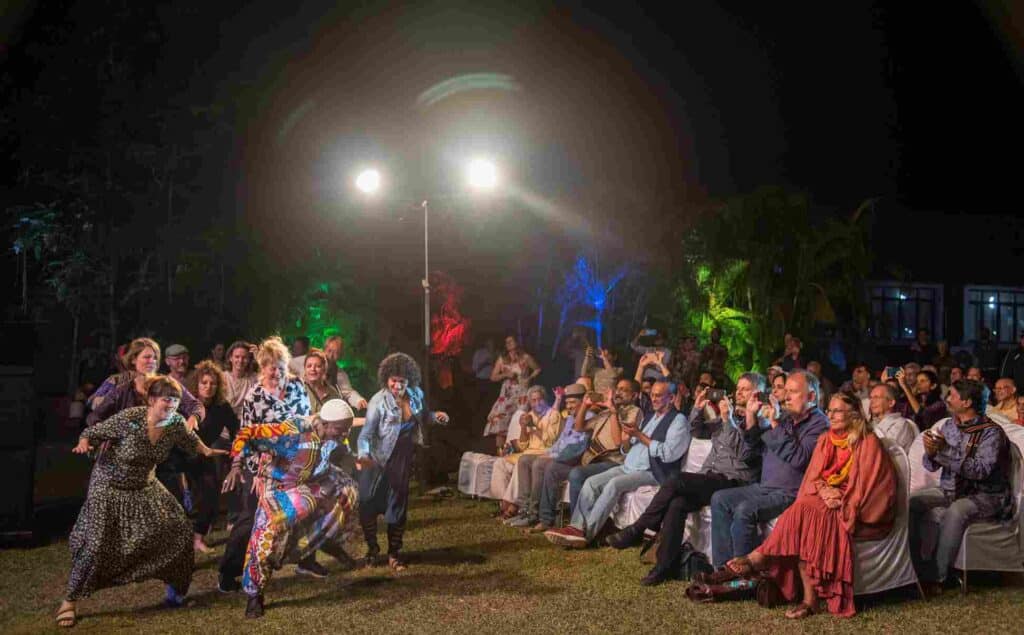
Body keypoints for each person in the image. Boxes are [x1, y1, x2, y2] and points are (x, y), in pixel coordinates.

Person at [55, 376, 227, 628]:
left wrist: (207, 450)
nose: (170, 407)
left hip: (144, 483)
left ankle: (175, 593)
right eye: (165, 402)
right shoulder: (130, 419)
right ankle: (69, 601)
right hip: (109, 484)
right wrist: (84, 442)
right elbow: (92, 431)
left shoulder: (176, 423)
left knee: (178, 530)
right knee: (95, 544)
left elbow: (191, 441)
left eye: (175, 403)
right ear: (151, 400)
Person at [708, 392, 896, 618]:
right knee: (804, 508)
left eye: (837, 411)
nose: (831, 415)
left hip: (853, 505)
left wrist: (841, 498)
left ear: (854, 415)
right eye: (831, 410)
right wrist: (825, 490)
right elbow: (813, 477)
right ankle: (800, 593)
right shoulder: (827, 439)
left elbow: (871, 485)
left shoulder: (868, 442)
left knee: (809, 511)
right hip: (822, 498)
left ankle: (764, 561)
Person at [606, 374, 765, 586]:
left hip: (734, 482)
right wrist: (698, 409)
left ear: (758, 393)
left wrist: (728, 422)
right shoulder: (731, 416)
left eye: (745, 389)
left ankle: (640, 527)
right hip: (711, 477)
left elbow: (744, 453)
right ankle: (664, 566)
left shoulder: (759, 421)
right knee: (677, 503)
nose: (739, 392)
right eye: (738, 388)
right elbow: (697, 430)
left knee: (676, 479)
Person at [224, 399, 360, 618]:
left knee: (348, 490)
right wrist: (237, 466)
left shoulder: (334, 434)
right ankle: (255, 595)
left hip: (309, 481)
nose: (344, 434)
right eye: (340, 429)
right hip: (278, 486)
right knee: (268, 535)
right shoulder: (295, 430)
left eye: (347, 429)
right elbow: (248, 433)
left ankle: (320, 541)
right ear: (325, 423)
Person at [545, 380, 690, 547]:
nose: (654, 399)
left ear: (671, 398)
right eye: (652, 395)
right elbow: (629, 449)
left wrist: (639, 435)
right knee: (591, 483)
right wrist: (627, 442)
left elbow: (668, 454)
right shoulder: (650, 417)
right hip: (629, 466)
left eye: (658, 396)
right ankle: (575, 527)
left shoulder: (678, 421)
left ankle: (586, 534)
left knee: (613, 485)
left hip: (653, 472)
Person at [218, 336, 312, 593]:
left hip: (293, 462)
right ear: (262, 367)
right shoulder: (254, 397)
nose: (275, 370)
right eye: (270, 365)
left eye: (279, 364)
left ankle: (306, 561)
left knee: (304, 509)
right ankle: (228, 573)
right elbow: (246, 437)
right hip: (262, 466)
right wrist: (254, 472)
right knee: (249, 519)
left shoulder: (297, 387)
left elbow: (304, 422)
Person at [709, 370, 829, 568]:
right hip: (765, 487)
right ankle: (723, 568)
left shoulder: (820, 424)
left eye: (793, 392)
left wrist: (774, 423)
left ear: (811, 396)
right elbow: (750, 453)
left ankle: (745, 573)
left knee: (745, 509)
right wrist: (750, 416)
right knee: (720, 499)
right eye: (786, 391)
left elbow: (799, 458)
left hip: (790, 492)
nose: (787, 397)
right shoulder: (787, 419)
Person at [909, 379, 1012, 595]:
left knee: (956, 511)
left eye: (952, 395)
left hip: (986, 496)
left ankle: (937, 578)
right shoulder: (949, 425)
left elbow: (980, 471)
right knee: (912, 502)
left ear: (966, 402)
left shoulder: (991, 433)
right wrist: (931, 453)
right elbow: (932, 465)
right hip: (950, 489)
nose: (947, 399)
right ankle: (914, 568)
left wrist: (944, 450)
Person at [356, 353, 449, 571]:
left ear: (410, 380)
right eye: (393, 381)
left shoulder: (416, 394)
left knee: (397, 506)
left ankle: (394, 554)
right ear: (386, 379)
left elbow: (424, 416)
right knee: (367, 504)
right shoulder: (378, 401)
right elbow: (365, 434)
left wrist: (437, 417)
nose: (397, 385)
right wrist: (363, 454)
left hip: (402, 458)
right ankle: (372, 550)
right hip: (377, 460)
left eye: (402, 381)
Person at [185, 361, 239, 553]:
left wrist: (237, 455)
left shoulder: (222, 407)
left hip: (204, 455)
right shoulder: (186, 404)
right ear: (196, 384)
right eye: (204, 383)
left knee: (211, 492)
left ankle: (198, 538)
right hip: (180, 457)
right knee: (178, 499)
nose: (208, 387)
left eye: (212, 383)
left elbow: (237, 431)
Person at [494, 386, 562, 523]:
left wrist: (535, 427)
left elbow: (551, 441)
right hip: (528, 452)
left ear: (545, 400)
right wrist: (524, 427)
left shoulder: (553, 414)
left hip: (545, 452)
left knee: (523, 461)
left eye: (539, 399)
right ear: (530, 402)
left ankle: (522, 509)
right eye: (533, 400)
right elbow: (523, 445)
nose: (537, 403)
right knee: (500, 463)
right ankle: (508, 505)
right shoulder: (529, 415)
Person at [484, 335, 540, 452]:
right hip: (508, 393)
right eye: (506, 342)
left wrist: (529, 378)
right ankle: (501, 452)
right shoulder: (502, 359)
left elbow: (537, 369)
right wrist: (505, 375)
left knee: (520, 418)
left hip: (522, 392)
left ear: (517, 342)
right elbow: (493, 377)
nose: (508, 343)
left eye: (511, 341)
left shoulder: (525, 357)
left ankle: (520, 450)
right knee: (500, 419)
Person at [867, 383, 917, 451]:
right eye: (871, 398)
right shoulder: (870, 424)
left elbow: (887, 451)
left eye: (876, 397)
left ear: (891, 403)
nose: (872, 401)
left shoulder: (901, 424)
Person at [323, 335, 368, 410]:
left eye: (336, 353)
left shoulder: (339, 373)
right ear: (324, 350)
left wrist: (358, 400)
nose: (331, 355)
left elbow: (348, 393)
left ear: (340, 355)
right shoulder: (311, 365)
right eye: (329, 351)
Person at [224, 341, 258, 419]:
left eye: (244, 357)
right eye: (237, 357)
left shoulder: (253, 378)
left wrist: (259, 358)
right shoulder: (222, 377)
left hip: (246, 422)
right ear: (230, 358)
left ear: (249, 359)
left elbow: (269, 377)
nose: (240, 360)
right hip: (224, 424)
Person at [303, 348, 342, 414]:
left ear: (324, 369)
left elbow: (341, 417)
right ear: (305, 369)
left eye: (318, 366)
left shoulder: (333, 393)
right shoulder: (297, 390)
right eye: (309, 366)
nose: (313, 369)